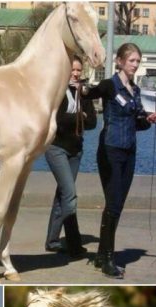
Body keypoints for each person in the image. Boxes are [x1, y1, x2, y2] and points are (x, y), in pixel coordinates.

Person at [84, 43, 156, 279]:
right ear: (119, 61)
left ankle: (100, 255)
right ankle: (107, 259)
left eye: (138, 61)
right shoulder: (109, 85)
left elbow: (137, 122)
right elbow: (90, 93)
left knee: (117, 206)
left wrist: (148, 119)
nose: (135, 65)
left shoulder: (134, 91)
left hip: (129, 152)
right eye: (131, 61)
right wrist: (80, 86)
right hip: (110, 150)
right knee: (113, 204)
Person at [45, 55, 96, 258]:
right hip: (56, 148)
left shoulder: (83, 93)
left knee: (63, 195)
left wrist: (81, 115)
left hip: (76, 150)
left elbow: (92, 122)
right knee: (70, 195)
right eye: (72, 70)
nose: (75, 74)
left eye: (78, 71)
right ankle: (74, 244)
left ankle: (52, 240)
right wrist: (79, 116)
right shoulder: (57, 92)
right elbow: (57, 119)